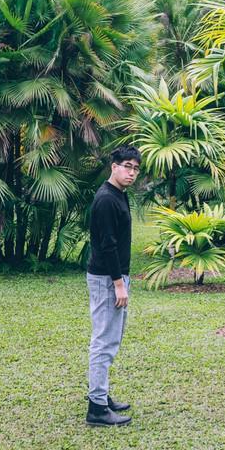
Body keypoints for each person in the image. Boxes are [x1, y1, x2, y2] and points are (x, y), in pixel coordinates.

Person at [85, 145, 141, 427]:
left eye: (136, 168)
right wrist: (119, 284)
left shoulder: (119, 194)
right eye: (127, 166)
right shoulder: (107, 199)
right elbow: (107, 245)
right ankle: (97, 408)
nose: (131, 173)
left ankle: (101, 395)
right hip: (107, 279)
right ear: (114, 166)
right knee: (104, 342)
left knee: (110, 339)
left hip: (113, 277)